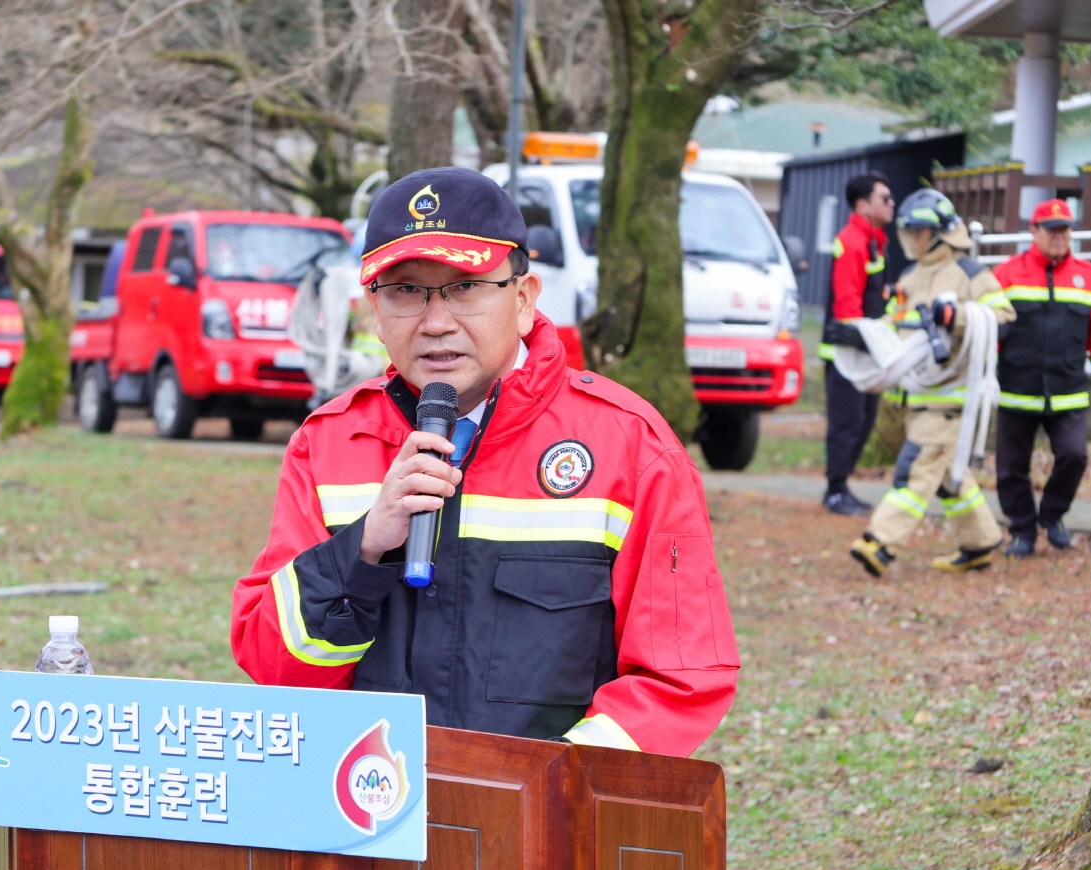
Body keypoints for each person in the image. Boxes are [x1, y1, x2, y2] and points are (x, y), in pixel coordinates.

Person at [231, 168, 738, 756]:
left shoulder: (630, 445)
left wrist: (550, 786)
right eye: (406, 291)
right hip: (368, 822)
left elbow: (681, 678)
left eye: (464, 287)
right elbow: (276, 669)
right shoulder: (328, 444)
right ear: (374, 309)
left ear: (522, 300)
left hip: (548, 829)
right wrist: (364, 549)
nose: (436, 321)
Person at [849, 189, 1015, 577]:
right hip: (916, 395)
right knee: (949, 479)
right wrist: (863, 336)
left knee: (916, 469)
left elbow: (1004, 317)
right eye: (909, 232)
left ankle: (880, 543)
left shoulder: (970, 273)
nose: (913, 240)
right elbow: (896, 325)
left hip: (952, 401)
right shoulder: (911, 275)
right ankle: (980, 543)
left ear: (940, 232)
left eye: (920, 232)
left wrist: (956, 316)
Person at [991, 199, 1091, 557]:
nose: (1060, 235)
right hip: (1016, 391)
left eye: (1065, 229)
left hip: (1067, 392)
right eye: (1052, 228)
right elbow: (989, 330)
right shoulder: (1007, 274)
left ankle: (1052, 516)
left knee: (1074, 456)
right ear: (1033, 231)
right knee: (1010, 469)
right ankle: (1022, 531)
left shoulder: (1088, 276)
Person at [820, 172, 896, 516]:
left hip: (866, 350)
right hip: (848, 353)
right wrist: (868, 342)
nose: (891, 204)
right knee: (848, 423)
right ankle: (835, 492)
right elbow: (848, 303)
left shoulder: (874, 240)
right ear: (863, 205)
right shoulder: (851, 241)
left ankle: (842, 486)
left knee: (863, 422)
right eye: (885, 198)